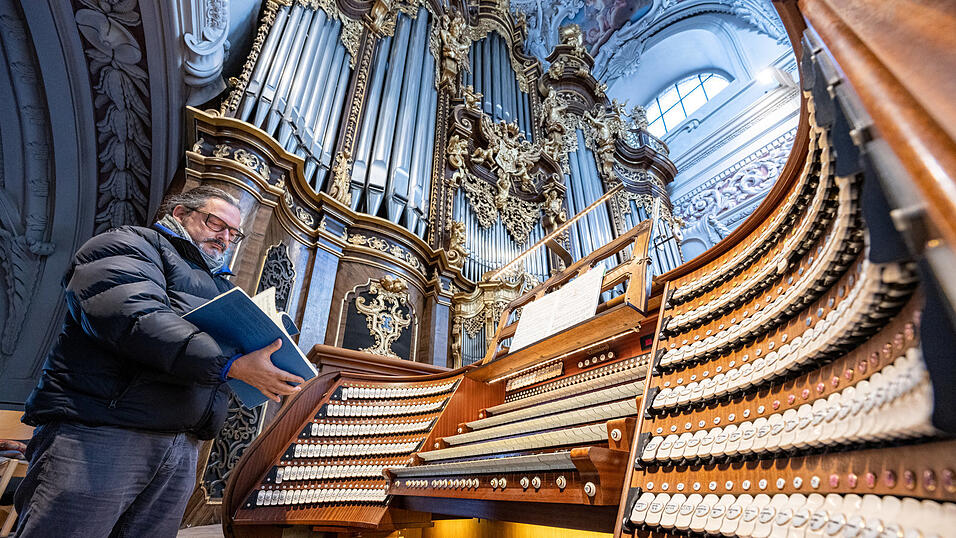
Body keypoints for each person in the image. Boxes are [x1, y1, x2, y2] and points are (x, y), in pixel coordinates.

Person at [14, 185, 305, 537]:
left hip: (181, 445)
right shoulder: (129, 244)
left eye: (233, 232)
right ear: (180, 213)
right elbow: (134, 318)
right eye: (216, 224)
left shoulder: (218, 285)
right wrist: (232, 365)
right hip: (104, 431)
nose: (225, 238)